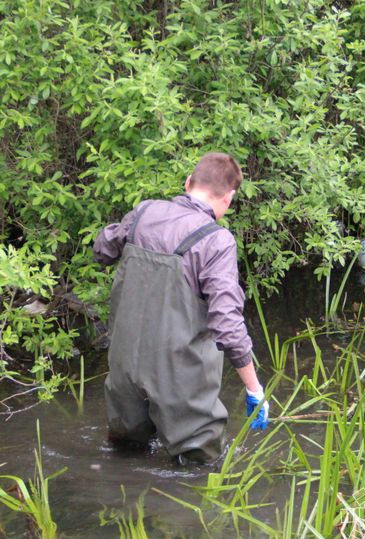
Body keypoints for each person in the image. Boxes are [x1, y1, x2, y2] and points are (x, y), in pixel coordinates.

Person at [92, 152, 268, 463]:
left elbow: (103, 249)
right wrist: (254, 389)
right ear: (229, 198)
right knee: (198, 467)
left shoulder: (144, 211)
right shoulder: (217, 241)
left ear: (188, 183)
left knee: (125, 455)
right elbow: (227, 324)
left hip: (124, 365)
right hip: (180, 375)